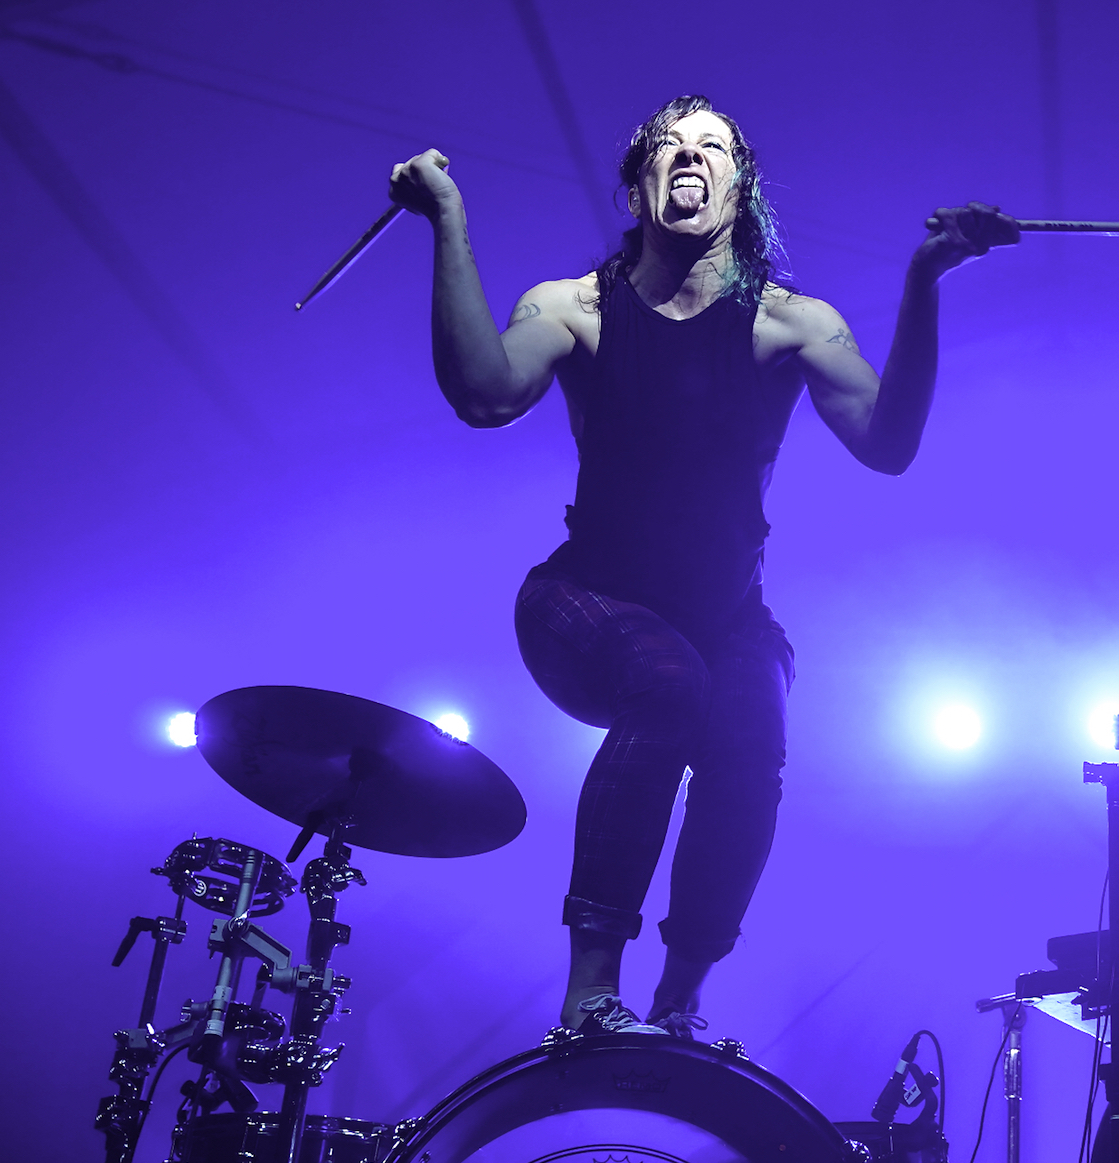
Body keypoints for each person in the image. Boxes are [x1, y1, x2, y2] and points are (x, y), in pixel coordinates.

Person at [388, 97, 1018, 1036]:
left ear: (739, 186)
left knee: (751, 736)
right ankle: (591, 991)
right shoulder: (573, 309)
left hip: (728, 617)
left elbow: (888, 446)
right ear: (637, 188)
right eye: (668, 145)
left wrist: (924, 282)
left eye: (711, 145)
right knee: (669, 681)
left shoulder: (790, 324)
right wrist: (448, 219)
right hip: (582, 600)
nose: (689, 154)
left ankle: (678, 998)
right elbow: (484, 395)